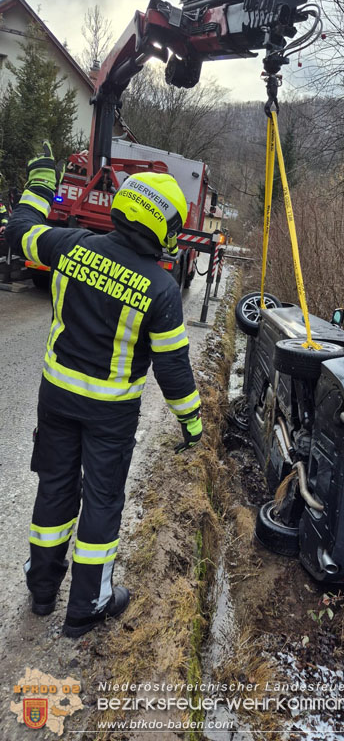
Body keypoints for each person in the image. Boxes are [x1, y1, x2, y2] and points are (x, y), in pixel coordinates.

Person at [6, 142, 204, 638]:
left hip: (56, 398)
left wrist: (40, 184)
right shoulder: (160, 290)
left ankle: (43, 590)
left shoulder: (72, 247)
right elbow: (174, 370)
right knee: (101, 500)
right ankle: (87, 604)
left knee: (54, 486)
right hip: (110, 416)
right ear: (162, 226)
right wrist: (193, 422)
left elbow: (21, 232)